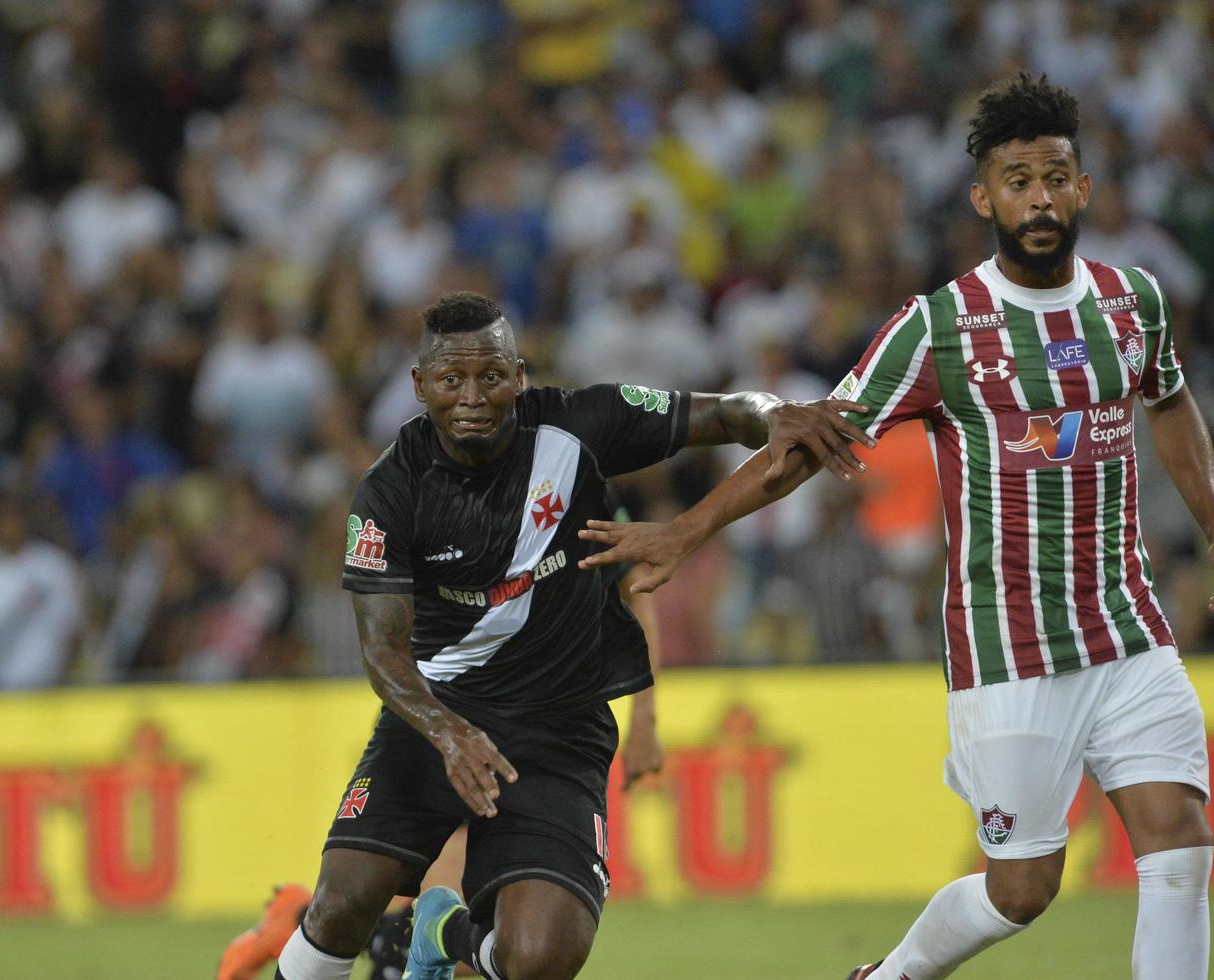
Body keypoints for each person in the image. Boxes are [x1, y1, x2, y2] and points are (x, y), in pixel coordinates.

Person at [578, 72, 1214, 980]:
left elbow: (1170, 401)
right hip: (1009, 645)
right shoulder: (940, 326)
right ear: (982, 196)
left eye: (1054, 177)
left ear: (1082, 188)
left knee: (1180, 850)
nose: (1038, 198)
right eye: (1017, 180)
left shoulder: (1131, 302)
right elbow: (812, 441)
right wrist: (687, 531)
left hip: (1128, 625)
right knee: (1021, 888)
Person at [270, 290, 870, 980]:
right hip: (436, 718)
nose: (471, 396)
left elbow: (725, 413)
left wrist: (776, 412)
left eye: (490, 377)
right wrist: (446, 732)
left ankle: (443, 934)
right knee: (342, 904)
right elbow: (381, 650)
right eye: (449, 380)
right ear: (419, 386)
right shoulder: (388, 491)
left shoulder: (580, 426)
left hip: (559, 729)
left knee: (541, 958)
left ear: (519, 375)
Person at [216, 503, 665, 980]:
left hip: (543, 729)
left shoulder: (578, 483)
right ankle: (314, 923)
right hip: (449, 713)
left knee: (469, 942)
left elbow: (635, 587)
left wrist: (645, 717)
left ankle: (297, 921)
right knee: (434, 941)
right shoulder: (441, 486)